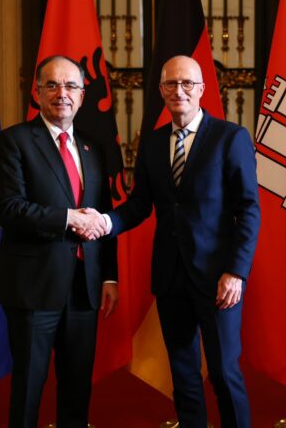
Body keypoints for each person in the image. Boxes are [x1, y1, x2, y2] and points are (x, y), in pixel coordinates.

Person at [87, 55, 260, 428]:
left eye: (187, 83)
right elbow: (139, 205)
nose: (179, 90)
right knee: (183, 374)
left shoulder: (230, 138)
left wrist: (236, 272)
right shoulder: (152, 143)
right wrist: (104, 221)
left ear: (201, 89)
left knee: (224, 372)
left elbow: (249, 210)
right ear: (161, 90)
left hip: (219, 280)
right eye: (170, 83)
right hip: (170, 277)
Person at [0, 55, 117, 428]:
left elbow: (103, 217)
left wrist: (109, 276)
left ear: (82, 95)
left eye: (71, 86)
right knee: (29, 389)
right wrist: (68, 218)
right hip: (34, 287)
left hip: (83, 289)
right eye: (52, 85)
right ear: (38, 92)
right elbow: (9, 209)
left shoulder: (93, 149)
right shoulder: (14, 141)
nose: (62, 93)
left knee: (77, 390)